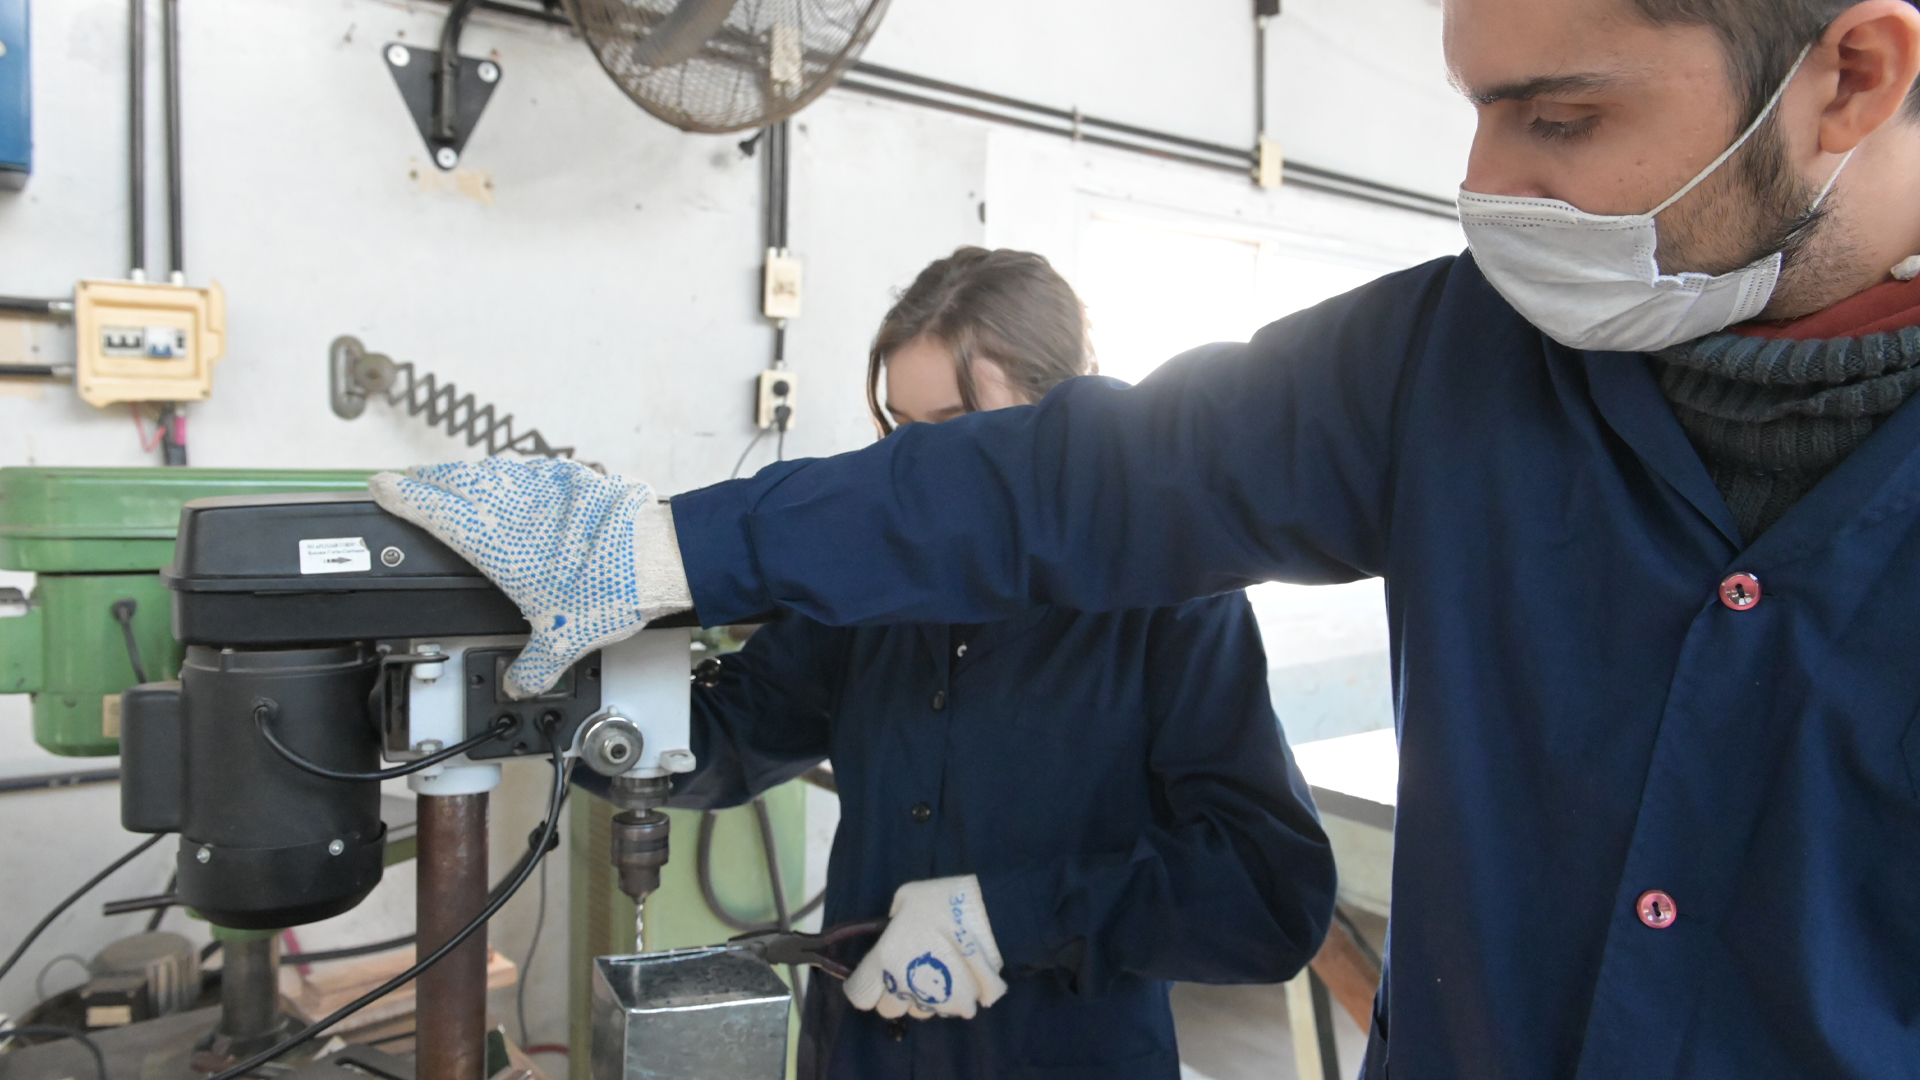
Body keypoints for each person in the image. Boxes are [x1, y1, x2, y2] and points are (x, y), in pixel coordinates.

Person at [373, 1, 1920, 1076]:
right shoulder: (1449, 363)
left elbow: (1261, 893)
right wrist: (652, 558)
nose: (1482, 189)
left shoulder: (1175, 625)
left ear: (1850, 76)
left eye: (1561, 117)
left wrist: (1020, 916)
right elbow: (1065, 483)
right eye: (1476, 112)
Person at [579, 248, 1336, 1080]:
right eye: (901, 435)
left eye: (952, 435)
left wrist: (1008, 919)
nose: (917, 474)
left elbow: (1266, 896)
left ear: (1059, 431)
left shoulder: (1176, 600)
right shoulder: (869, 580)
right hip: (862, 1050)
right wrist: (561, 704)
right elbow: (735, 736)